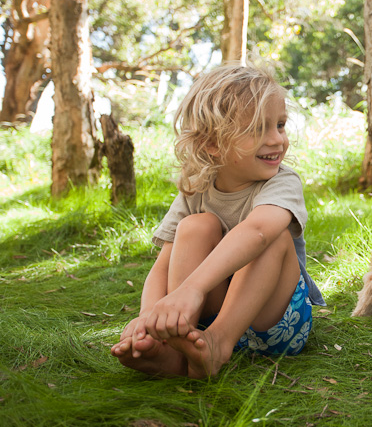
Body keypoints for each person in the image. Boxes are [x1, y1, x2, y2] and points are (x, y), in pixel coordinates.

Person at [110, 61, 325, 378]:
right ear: (212, 143)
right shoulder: (195, 190)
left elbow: (257, 232)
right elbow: (164, 263)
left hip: (276, 324)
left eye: (280, 125)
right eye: (256, 129)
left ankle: (218, 345)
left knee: (273, 237)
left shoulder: (282, 182)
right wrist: (148, 317)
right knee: (196, 226)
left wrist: (193, 288)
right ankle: (173, 352)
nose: (277, 139)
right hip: (205, 318)